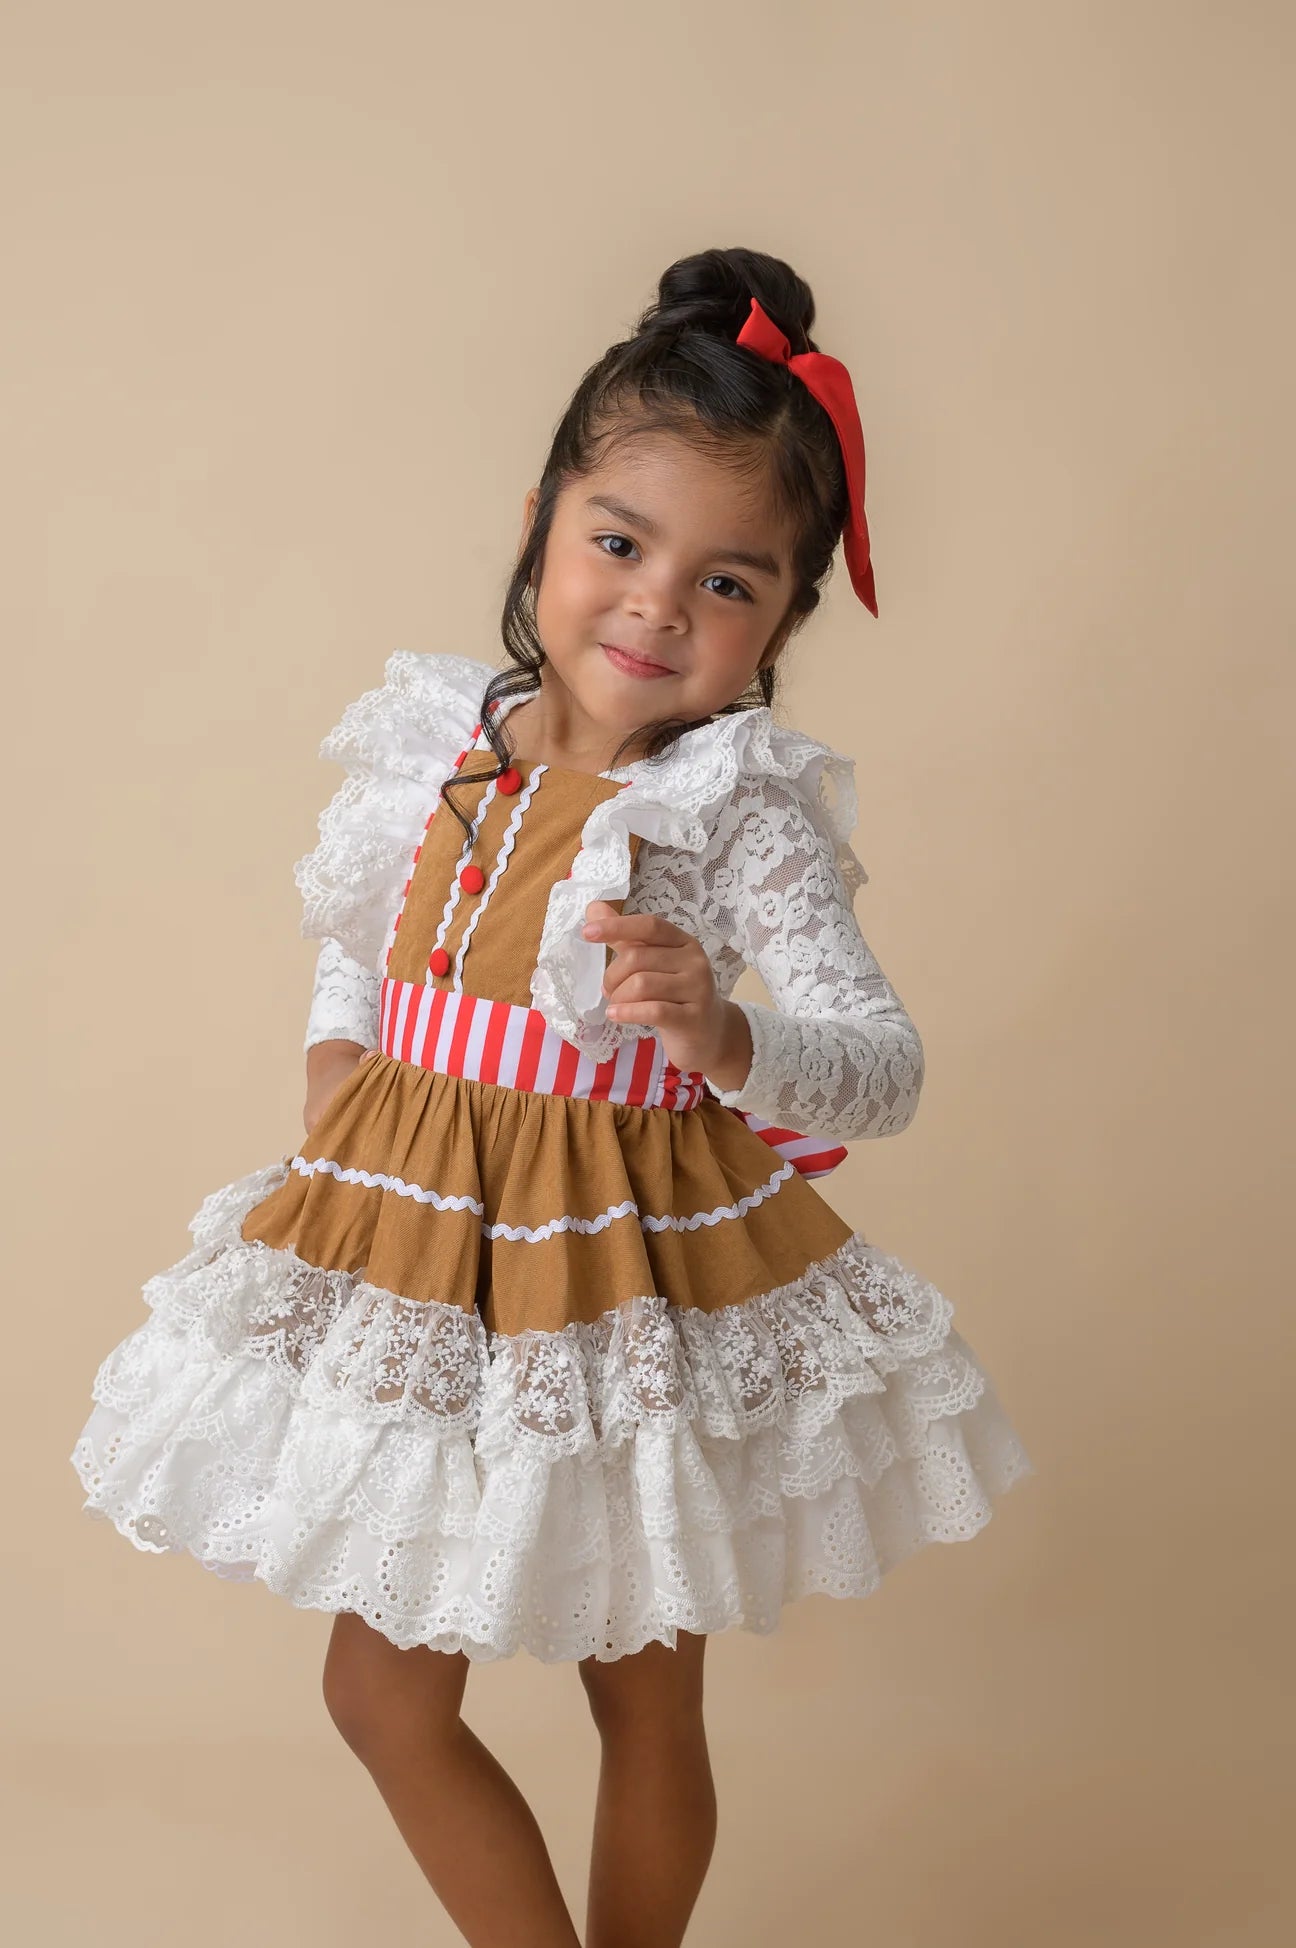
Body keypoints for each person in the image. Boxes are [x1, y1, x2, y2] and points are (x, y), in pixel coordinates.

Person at [70, 244, 1034, 1948]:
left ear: (788, 618)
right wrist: (338, 1044)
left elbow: (882, 1067)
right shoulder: (443, 737)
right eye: (619, 544)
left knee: (643, 1696)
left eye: (728, 581)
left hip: (622, 1270)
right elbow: (363, 927)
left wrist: (726, 1034)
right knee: (381, 1696)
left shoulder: (737, 811)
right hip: (420, 1240)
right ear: (540, 529)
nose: (657, 607)